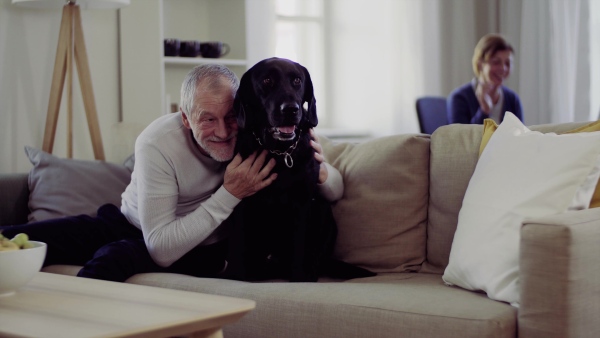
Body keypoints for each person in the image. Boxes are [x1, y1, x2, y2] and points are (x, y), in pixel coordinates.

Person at [0, 64, 343, 282]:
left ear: (244, 109)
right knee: (26, 236)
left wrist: (324, 171)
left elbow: (322, 185)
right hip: (136, 222)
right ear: (185, 118)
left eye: (231, 117)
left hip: (202, 245)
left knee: (113, 258)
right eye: (207, 119)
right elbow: (159, 241)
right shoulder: (158, 141)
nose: (223, 132)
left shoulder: (259, 133)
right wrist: (230, 192)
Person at [447, 33, 523, 124]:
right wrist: (484, 111)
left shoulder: (513, 99)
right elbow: (462, 137)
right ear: (480, 65)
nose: (503, 68)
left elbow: (521, 137)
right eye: (496, 62)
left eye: (508, 63)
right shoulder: (459, 98)